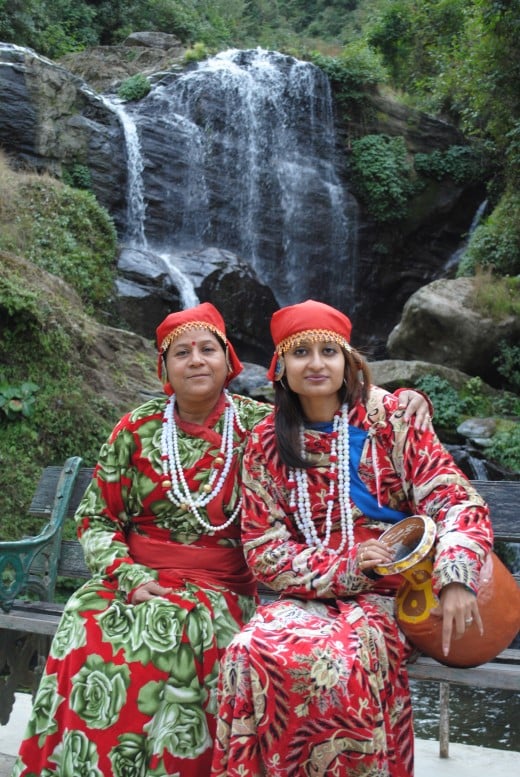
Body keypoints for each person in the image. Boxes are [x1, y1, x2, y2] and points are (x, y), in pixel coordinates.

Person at [12, 302, 431, 777]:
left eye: (207, 349)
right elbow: (97, 518)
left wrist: (399, 401)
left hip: (219, 588)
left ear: (228, 360)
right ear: (165, 368)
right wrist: (126, 575)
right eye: (182, 352)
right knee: (88, 624)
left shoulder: (263, 427)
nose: (196, 360)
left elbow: (333, 415)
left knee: (166, 639)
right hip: (134, 577)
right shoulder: (135, 429)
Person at [210, 299, 493, 777]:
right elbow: (263, 551)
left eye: (328, 351)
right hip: (313, 593)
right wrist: (345, 565)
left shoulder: (392, 419)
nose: (316, 364)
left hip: (399, 594)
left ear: (348, 362)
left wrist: (457, 575)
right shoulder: (264, 442)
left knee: (332, 662)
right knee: (247, 650)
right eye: (301, 353)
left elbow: (456, 500)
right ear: (280, 368)